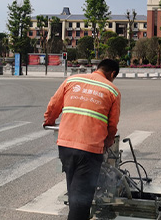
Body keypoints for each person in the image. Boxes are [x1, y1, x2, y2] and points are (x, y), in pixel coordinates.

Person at [43, 59, 121, 220]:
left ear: (97, 68)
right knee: (81, 201)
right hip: (90, 151)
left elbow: (54, 105)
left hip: (65, 146)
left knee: (74, 191)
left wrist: (48, 121)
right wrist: (108, 142)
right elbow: (112, 125)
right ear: (112, 74)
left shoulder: (72, 80)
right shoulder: (112, 91)